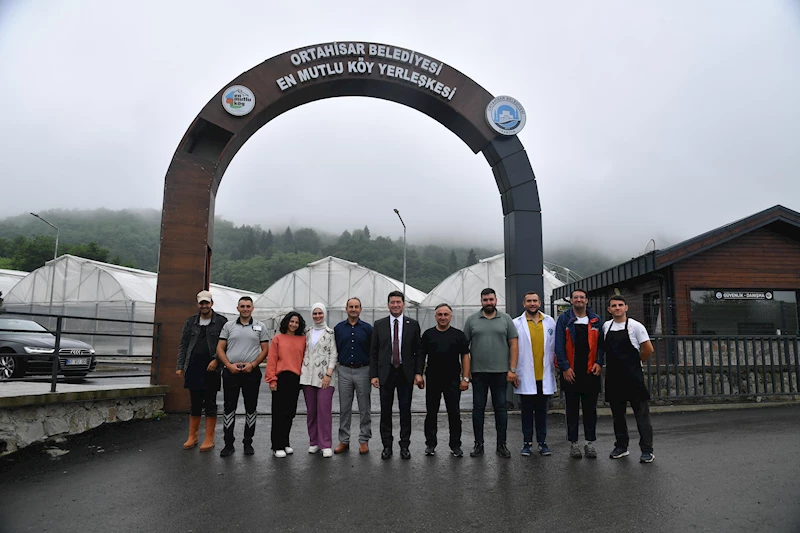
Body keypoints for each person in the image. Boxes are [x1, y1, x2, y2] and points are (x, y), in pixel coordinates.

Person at [463, 288, 519, 459]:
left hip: (501, 372)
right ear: (481, 301)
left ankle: (501, 444)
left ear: (496, 300)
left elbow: (514, 345)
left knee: (501, 409)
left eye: (491, 299)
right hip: (478, 373)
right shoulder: (472, 320)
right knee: (478, 409)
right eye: (485, 300)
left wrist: (512, 369)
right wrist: (466, 373)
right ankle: (478, 444)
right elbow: (464, 349)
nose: (488, 302)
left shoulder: (506, 319)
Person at [370, 291, 424, 460]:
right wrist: (374, 375)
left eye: (398, 302)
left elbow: (419, 352)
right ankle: (387, 446)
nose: (395, 305)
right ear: (388, 305)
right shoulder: (379, 325)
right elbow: (374, 351)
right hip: (385, 373)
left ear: (403, 304)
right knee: (385, 411)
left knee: (405, 411)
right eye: (392, 302)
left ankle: (404, 446)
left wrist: (418, 373)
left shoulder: (413, 324)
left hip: (405, 373)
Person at [602, 295, 656, 463]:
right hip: (613, 378)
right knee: (618, 416)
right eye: (613, 305)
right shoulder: (606, 326)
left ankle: (647, 450)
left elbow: (648, 349)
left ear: (626, 307)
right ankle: (621, 446)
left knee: (642, 416)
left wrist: (637, 362)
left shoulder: (635, 326)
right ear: (609, 309)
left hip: (633, 378)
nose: (617, 308)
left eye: (620, 305)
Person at [216, 296, 270, 457]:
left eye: (248, 306)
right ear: (237, 308)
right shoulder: (228, 326)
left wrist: (253, 365)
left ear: (252, 308)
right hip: (231, 372)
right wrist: (228, 365)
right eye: (242, 306)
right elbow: (220, 348)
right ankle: (228, 444)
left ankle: (248, 442)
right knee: (229, 408)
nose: (245, 309)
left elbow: (265, 349)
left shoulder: (260, 326)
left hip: (251, 373)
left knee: (251, 408)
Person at [555, 288, 604, 459]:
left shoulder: (596, 320)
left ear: (587, 300)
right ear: (571, 300)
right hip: (571, 372)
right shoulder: (564, 319)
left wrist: (599, 362)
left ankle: (589, 443)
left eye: (582, 297)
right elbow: (559, 346)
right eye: (575, 297)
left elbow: (601, 346)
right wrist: (565, 367)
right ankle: (573, 443)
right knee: (572, 409)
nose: (579, 300)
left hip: (591, 371)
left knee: (590, 409)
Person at [176, 290, 228, 452]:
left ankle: (209, 438)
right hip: (193, 367)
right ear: (198, 304)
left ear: (212, 303)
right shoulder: (191, 322)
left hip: (212, 369)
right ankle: (193, 436)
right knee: (195, 402)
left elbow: (226, 344)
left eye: (207, 303)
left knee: (210, 402)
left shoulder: (221, 321)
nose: (204, 306)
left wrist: (216, 360)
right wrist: (180, 366)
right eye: (201, 303)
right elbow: (183, 345)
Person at [421, 303, 470, 458]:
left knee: (454, 413)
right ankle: (430, 444)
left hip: (453, 380)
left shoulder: (458, 335)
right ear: (435, 316)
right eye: (440, 315)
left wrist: (466, 378)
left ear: (451, 316)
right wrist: (418, 375)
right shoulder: (428, 335)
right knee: (431, 413)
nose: (443, 317)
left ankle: (455, 445)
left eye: (446, 315)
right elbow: (421, 356)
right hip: (433, 379)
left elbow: (465, 356)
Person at [512, 291, 557, 457]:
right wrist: (513, 371)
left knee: (542, 412)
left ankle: (543, 443)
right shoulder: (516, 323)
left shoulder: (550, 321)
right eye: (529, 301)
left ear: (539, 303)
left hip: (543, 375)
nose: (532, 304)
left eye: (535, 301)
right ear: (524, 304)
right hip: (525, 376)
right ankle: (527, 443)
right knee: (526, 412)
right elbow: (512, 348)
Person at [333, 297, 374, 455]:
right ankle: (344, 440)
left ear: (360, 309)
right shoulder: (338, 329)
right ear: (346, 309)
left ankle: (364, 440)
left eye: (356, 306)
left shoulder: (368, 329)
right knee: (344, 408)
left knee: (364, 408)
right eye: (351, 306)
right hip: (343, 370)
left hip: (363, 370)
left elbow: (373, 351)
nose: (354, 309)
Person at [265, 311, 306, 458]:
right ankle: (277, 445)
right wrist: (272, 380)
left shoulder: (303, 339)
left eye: (296, 322)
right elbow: (272, 361)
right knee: (278, 413)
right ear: (286, 322)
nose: (294, 324)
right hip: (281, 378)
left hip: (296, 379)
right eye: (291, 321)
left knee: (290, 413)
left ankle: (285, 442)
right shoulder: (278, 339)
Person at [300, 303, 338, 458]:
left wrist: (328, 374)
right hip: (307, 376)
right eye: (315, 313)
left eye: (320, 313)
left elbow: (333, 355)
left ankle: (326, 443)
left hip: (324, 378)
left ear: (324, 314)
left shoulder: (330, 333)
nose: (317, 316)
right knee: (312, 412)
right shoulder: (306, 333)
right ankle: (313, 442)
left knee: (324, 411)